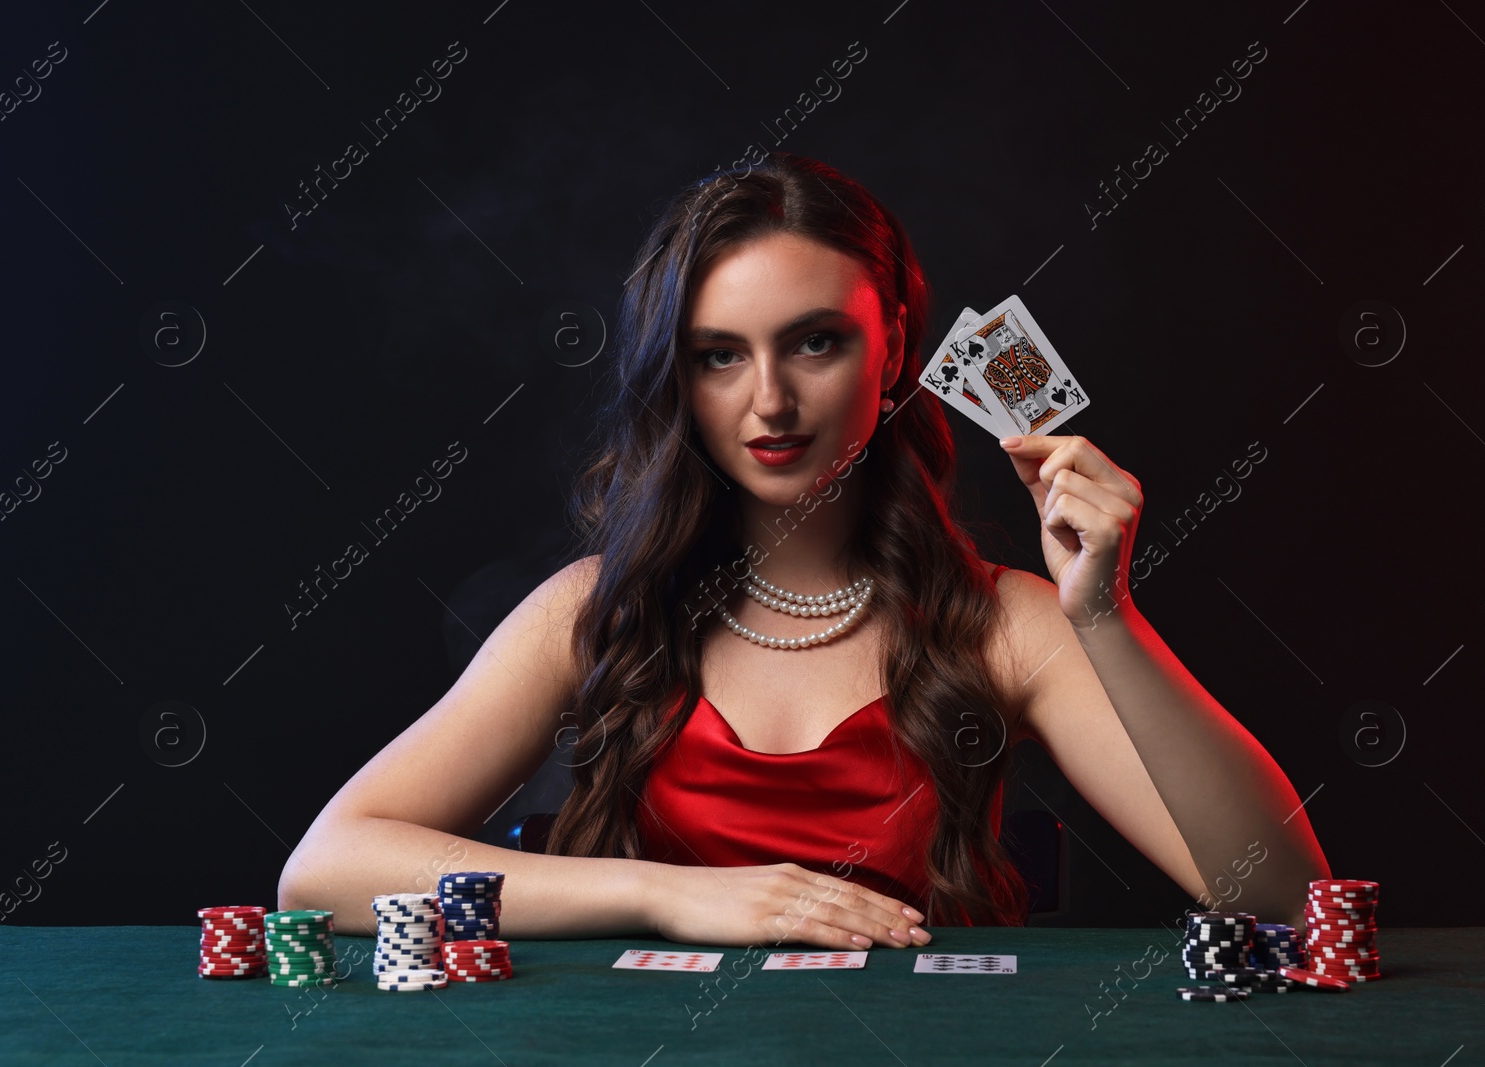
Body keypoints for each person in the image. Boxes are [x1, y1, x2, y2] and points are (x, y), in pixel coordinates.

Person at [280, 153, 1329, 946]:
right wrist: (669, 890)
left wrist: (1102, 615)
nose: (769, 401)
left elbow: (1279, 894)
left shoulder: (1009, 619)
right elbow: (324, 869)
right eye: (719, 356)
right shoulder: (589, 609)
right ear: (677, 381)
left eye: (816, 341)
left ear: (896, 355)